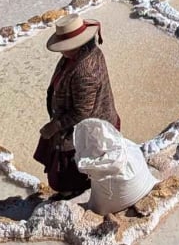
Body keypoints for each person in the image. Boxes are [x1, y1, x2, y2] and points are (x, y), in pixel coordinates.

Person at [34, 14, 119, 198]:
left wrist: (55, 126)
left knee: (68, 174)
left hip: (86, 128)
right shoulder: (83, 53)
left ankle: (74, 194)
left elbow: (81, 112)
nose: (62, 51)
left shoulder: (84, 71)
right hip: (79, 121)